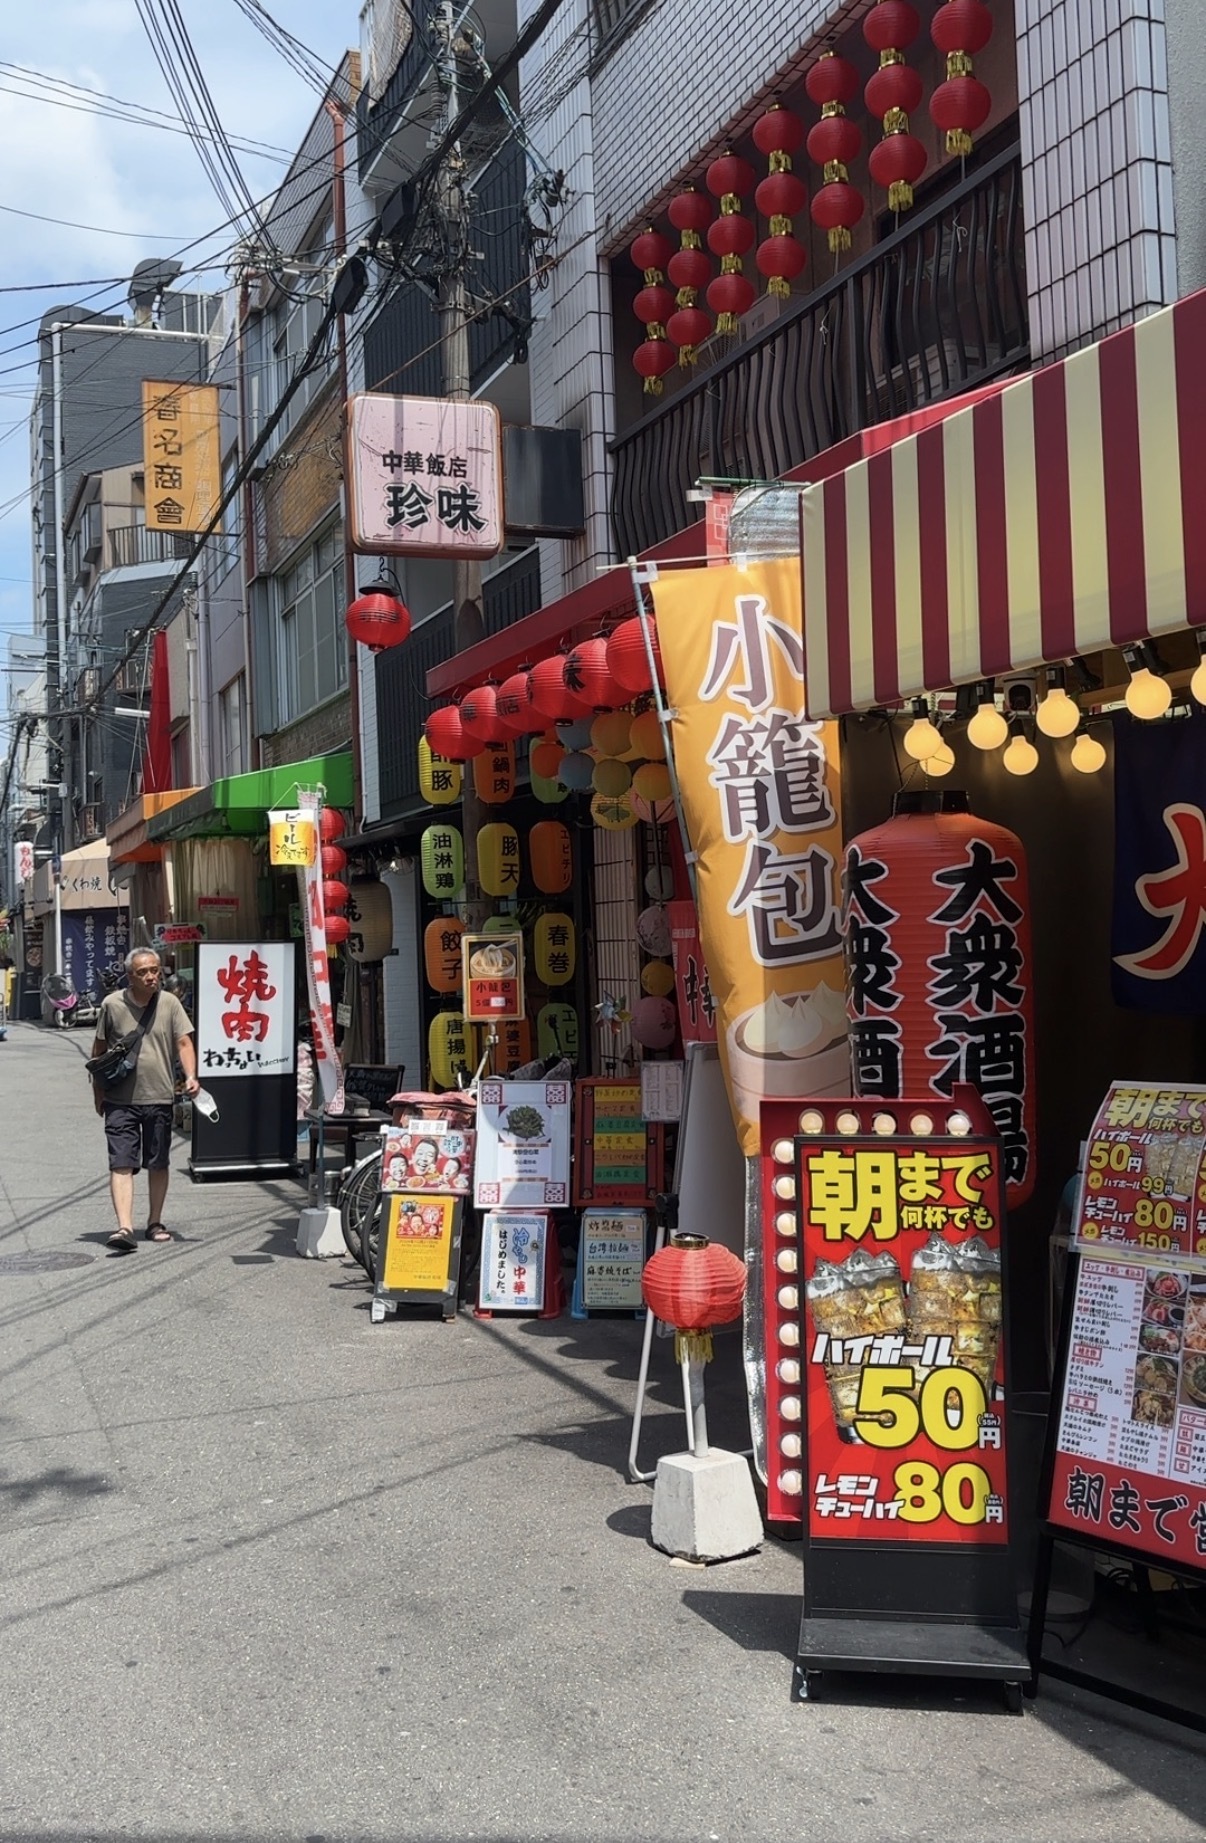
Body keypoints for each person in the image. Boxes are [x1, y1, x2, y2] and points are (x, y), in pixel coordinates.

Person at [91, 947, 198, 1251]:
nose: (151, 976)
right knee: (121, 1163)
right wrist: (98, 1093)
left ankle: (154, 1221)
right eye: (143, 972)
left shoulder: (170, 1003)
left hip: (159, 1096)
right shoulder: (112, 1004)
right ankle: (124, 1228)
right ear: (130, 976)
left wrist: (191, 1076)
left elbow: (184, 1042)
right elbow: (98, 1051)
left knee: (158, 1162)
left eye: (155, 970)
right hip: (119, 1100)